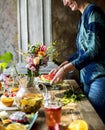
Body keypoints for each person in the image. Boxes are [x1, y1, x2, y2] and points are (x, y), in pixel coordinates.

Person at [49, 0, 105, 124]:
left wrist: (66, 69)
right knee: (86, 120)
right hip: (88, 78)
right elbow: (82, 51)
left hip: (100, 78)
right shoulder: (84, 15)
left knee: (95, 122)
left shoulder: (93, 13)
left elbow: (94, 50)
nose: (65, 3)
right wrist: (63, 65)